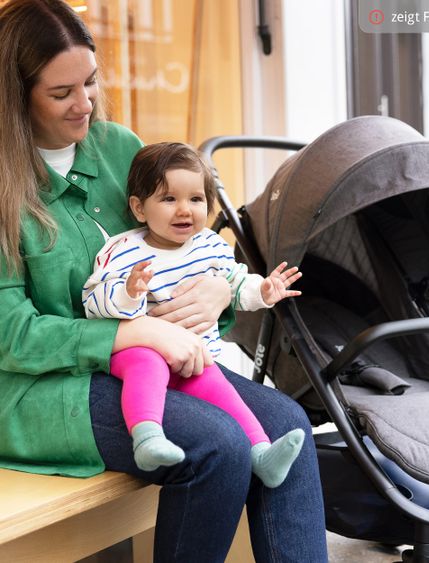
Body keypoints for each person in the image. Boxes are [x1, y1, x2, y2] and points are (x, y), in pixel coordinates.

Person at [0, 1, 328, 561]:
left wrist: (220, 291)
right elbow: (11, 333)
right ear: (14, 95)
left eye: (92, 82)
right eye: (62, 94)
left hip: (150, 365)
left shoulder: (119, 148)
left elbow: (182, 246)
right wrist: (134, 335)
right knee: (218, 446)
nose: (86, 104)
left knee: (287, 426)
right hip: (41, 387)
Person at [82, 142, 305, 486]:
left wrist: (262, 291)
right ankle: (147, 437)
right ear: (139, 208)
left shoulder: (210, 247)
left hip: (193, 357)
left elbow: (236, 282)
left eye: (196, 199)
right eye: (169, 199)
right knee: (147, 364)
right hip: (138, 351)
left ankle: (261, 453)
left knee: (223, 390)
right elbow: (93, 301)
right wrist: (128, 292)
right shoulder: (124, 250)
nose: (184, 210)